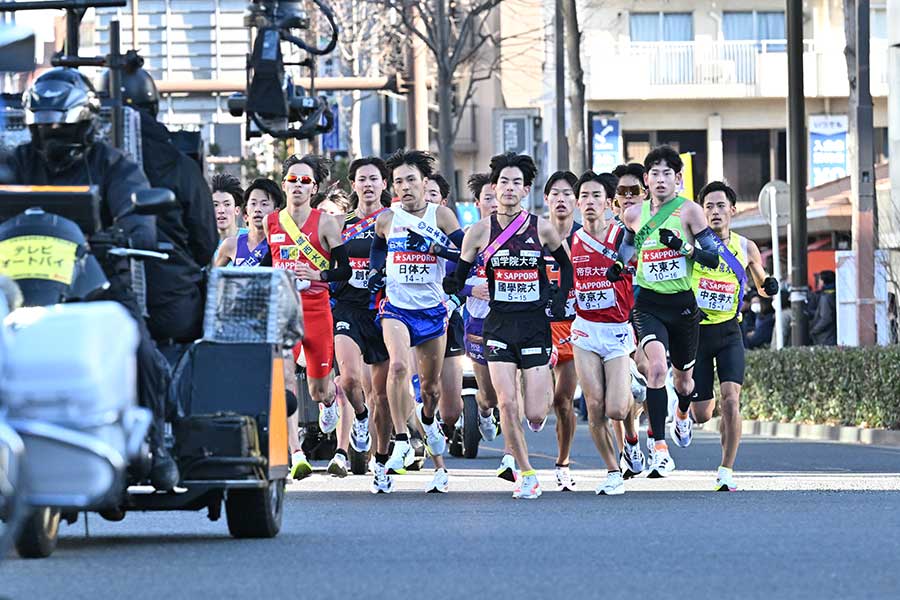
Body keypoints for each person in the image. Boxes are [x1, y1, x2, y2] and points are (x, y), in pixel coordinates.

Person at [3, 68, 177, 490]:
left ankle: (156, 444)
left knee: (139, 345)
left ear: (84, 122)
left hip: (95, 279)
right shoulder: (17, 162)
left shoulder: (113, 164)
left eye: (60, 126)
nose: (50, 135)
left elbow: (139, 215)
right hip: (19, 282)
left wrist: (128, 232)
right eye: (42, 127)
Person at [445, 152, 572, 499]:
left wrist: (558, 299)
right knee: (506, 403)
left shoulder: (541, 227)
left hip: (533, 325)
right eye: (504, 182)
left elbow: (567, 266)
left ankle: (539, 383)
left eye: (517, 183)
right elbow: (457, 277)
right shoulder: (479, 231)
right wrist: (459, 289)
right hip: (497, 324)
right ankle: (527, 474)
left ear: (526, 189)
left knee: (534, 411)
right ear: (495, 187)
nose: (510, 188)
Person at [610, 145, 721, 478]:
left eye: (666, 174)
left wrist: (683, 248)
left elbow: (712, 257)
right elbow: (628, 246)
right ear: (646, 179)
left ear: (678, 178)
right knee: (656, 369)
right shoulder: (634, 214)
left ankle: (682, 414)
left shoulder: (690, 212)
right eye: (654, 174)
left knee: (684, 383)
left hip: (683, 306)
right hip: (649, 305)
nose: (660, 180)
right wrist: (619, 263)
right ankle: (659, 448)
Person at [367, 149, 465, 493]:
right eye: (398, 182)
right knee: (396, 368)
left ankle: (428, 422)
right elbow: (378, 248)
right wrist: (377, 272)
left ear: (425, 183)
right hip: (396, 307)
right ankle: (401, 439)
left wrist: (437, 250)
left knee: (430, 388)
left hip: (431, 311)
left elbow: (466, 253)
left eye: (411, 180)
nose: (405, 187)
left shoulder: (442, 216)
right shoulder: (387, 218)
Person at [103, 66, 218, 344]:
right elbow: (205, 240)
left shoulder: (90, 163)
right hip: (171, 302)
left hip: (98, 298)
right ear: (153, 106)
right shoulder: (181, 164)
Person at [680, 181, 778, 491]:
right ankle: (682, 410)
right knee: (702, 414)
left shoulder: (746, 246)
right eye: (708, 206)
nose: (714, 211)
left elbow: (762, 284)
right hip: (698, 333)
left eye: (720, 205)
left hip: (729, 331)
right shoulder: (692, 244)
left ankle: (726, 469)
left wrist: (768, 285)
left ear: (732, 210)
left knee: (732, 400)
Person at [264, 154, 352, 478]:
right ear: (284, 184)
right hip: (284, 311)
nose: (298, 186)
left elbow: (343, 271)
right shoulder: (271, 222)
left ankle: (329, 404)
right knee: (284, 380)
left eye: (304, 181)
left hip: (317, 310)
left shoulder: (327, 222)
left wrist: (317, 274)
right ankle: (296, 453)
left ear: (314, 187)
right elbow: (265, 263)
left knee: (318, 390)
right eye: (292, 180)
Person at [569, 171, 634, 495]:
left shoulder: (624, 237)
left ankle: (631, 395)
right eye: (585, 197)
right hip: (585, 330)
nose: (590, 202)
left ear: (609, 203)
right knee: (594, 405)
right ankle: (612, 470)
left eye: (597, 196)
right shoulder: (572, 240)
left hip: (618, 331)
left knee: (617, 410)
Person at [330, 157, 389, 488]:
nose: (368, 184)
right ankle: (360, 420)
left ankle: (380, 463)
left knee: (380, 393)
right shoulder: (340, 224)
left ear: (384, 184)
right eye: (362, 179)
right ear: (353, 185)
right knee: (350, 380)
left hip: (383, 309)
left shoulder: (395, 220)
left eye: (374, 179)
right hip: (349, 307)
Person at [542, 170, 581, 491]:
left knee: (563, 401)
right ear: (545, 199)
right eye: (555, 193)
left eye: (568, 193)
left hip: (573, 327)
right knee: (535, 406)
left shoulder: (585, 238)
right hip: (537, 326)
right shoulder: (534, 234)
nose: (561, 199)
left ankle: (563, 463)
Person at [610, 162, 649, 478]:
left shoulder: (661, 223)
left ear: (645, 192)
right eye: (620, 192)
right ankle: (630, 445)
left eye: (633, 190)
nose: (627, 197)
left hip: (651, 308)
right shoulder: (607, 234)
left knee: (651, 374)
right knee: (619, 393)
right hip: (615, 318)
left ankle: (656, 440)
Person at [423, 172, 465, 441]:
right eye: (421, 192)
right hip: (410, 316)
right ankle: (414, 434)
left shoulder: (453, 235)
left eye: (433, 195)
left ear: (444, 202)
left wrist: (454, 301)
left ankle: (451, 423)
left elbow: (470, 263)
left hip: (449, 317)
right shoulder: (399, 227)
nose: (425, 199)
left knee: (450, 411)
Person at [215, 178, 280, 267]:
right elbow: (213, 277)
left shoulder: (281, 245)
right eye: (253, 204)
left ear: (276, 211)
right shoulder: (230, 245)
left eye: (264, 204)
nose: (257, 209)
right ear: (246, 210)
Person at [211, 172, 244, 245]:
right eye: (215, 205)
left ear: (237, 210)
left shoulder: (251, 239)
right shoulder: (204, 244)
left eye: (227, 204)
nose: (221, 210)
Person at [810, 270, 837, 345]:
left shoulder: (825, 297)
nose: (818, 282)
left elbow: (826, 318)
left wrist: (814, 330)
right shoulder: (835, 294)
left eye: (819, 279)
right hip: (832, 335)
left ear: (824, 281)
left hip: (825, 337)